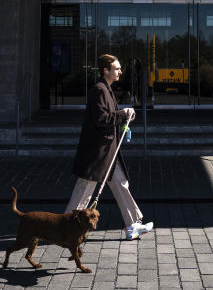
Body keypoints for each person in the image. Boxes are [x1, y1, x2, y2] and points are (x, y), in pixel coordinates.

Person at [65, 53, 154, 241]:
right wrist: (123, 114)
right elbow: (101, 119)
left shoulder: (106, 89)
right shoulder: (99, 89)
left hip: (108, 151)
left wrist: (123, 118)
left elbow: (109, 116)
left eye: (120, 68)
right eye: (117, 68)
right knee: (84, 189)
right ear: (106, 70)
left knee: (121, 184)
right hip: (97, 153)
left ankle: (132, 225)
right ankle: (68, 228)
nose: (120, 71)